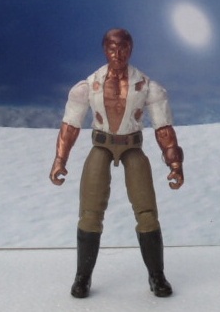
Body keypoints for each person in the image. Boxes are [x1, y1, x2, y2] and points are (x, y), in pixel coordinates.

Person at [49, 28, 184, 299]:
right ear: (104, 50)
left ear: (131, 49)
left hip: (132, 147)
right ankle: (82, 276)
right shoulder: (89, 86)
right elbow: (70, 126)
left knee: (147, 212)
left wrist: (175, 164)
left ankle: (157, 275)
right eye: (112, 48)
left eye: (123, 48)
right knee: (90, 212)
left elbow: (163, 129)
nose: (118, 54)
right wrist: (60, 159)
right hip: (101, 146)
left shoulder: (147, 87)